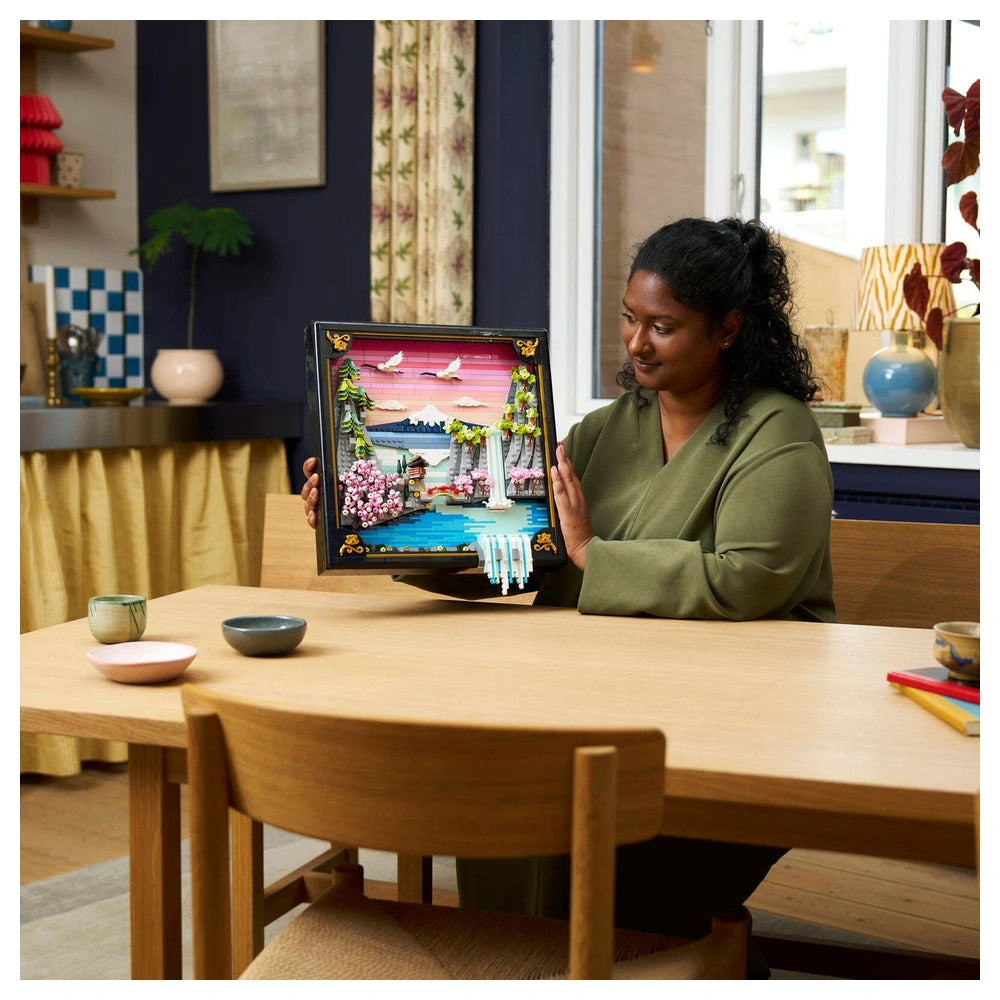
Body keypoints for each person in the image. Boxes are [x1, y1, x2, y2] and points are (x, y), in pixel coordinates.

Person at [301, 216, 835, 975]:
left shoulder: (776, 432)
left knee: (626, 877)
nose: (637, 343)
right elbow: (517, 556)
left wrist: (591, 552)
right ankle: (533, 960)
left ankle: (649, 961)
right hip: (592, 699)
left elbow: (749, 577)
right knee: (503, 785)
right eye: (629, 319)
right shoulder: (603, 432)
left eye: (663, 326)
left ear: (728, 329)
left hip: (734, 719)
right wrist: (366, 529)